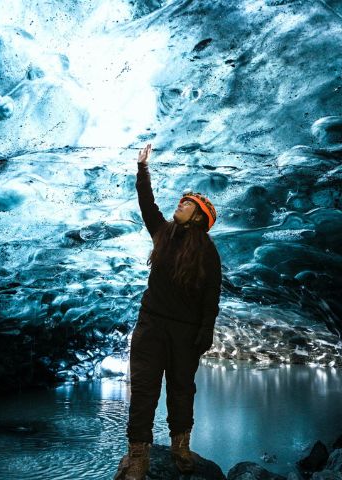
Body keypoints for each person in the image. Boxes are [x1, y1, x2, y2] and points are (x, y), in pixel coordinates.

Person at [114, 143, 223, 480]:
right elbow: (148, 204)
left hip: (186, 332)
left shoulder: (208, 252)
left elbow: (211, 296)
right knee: (144, 389)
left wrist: (204, 332)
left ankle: (180, 446)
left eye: (188, 204)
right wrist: (142, 169)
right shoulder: (162, 234)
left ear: (200, 218)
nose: (182, 204)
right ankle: (138, 456)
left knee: (181, 389)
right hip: (151, 325)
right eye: (182, 201)